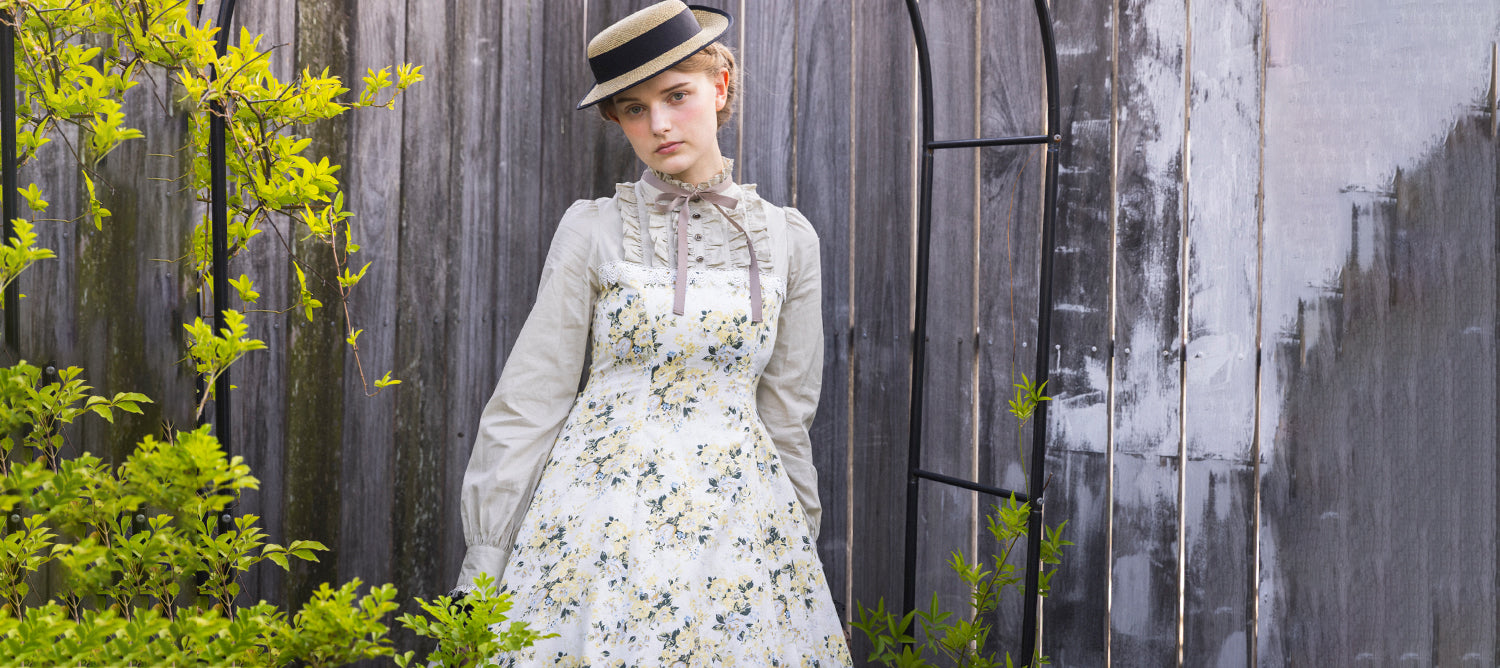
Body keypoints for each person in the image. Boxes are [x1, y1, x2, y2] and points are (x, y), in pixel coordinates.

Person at [453, 2, 853, 664]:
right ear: (618, 121)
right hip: (598, 528)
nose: (659, 123)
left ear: (719, 86)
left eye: (676, 95)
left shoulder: (789, 240)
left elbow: (788, 415)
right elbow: (530, 399)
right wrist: (487, 557)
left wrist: (795, 544)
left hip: (739, 535)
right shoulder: (593, 228)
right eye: (634, 109)